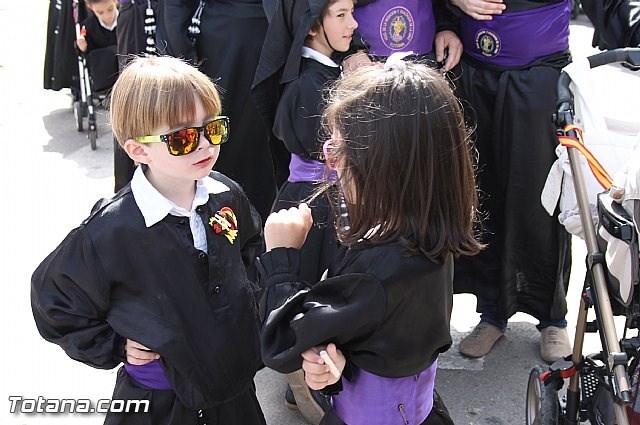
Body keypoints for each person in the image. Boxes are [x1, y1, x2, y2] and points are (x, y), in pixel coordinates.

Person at [31, 56, 266, 425]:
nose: (204, 144)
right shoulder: (111, 230)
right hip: (160, 402)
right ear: (139, 150)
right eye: (184, 137)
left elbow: (251, 247)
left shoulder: (226, 194)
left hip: (233, 391)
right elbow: (55, 299)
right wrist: (114, 345)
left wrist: (246, 307)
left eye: (213, 128)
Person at [259, 61, 482, 425]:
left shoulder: (378, 272)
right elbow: (381, 339)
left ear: (383, 168)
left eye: (340, 150)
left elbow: (283, 344)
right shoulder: (426, 235)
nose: (332, 163)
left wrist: (282, 257)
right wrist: (340, 359)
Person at [449, 0, 574, 363]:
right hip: (475, 71)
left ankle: (553, 318)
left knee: (541, 198)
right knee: (481, 196)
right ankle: (492, 312)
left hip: (538, 73)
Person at [255, 0, 357, 422]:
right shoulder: (305, 86)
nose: (353, 24)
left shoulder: (330, 71)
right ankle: (301, 382)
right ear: (313, 27)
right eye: (342, 15)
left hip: (331, 192)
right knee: (306, 288)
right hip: (314, 198)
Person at [155, 0, 281, 222]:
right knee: (218, 139)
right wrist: (185, 64)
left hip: (276, 44)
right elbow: (176, 7)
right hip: (226, 50)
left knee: (267, 148)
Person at [347, 0, 463, 73]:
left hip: (423, 61)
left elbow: (440, 5)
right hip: (365, 62)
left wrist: (445, 27)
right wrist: (348, 51)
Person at [75, 0, 120, 93]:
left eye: (110, 9)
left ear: (115, 2)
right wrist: (83, 47)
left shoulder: (126, 19)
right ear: (91, 8)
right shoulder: (89, 26)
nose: (107, 15)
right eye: (100, 13)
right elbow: (87, 55)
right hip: (104, 73)